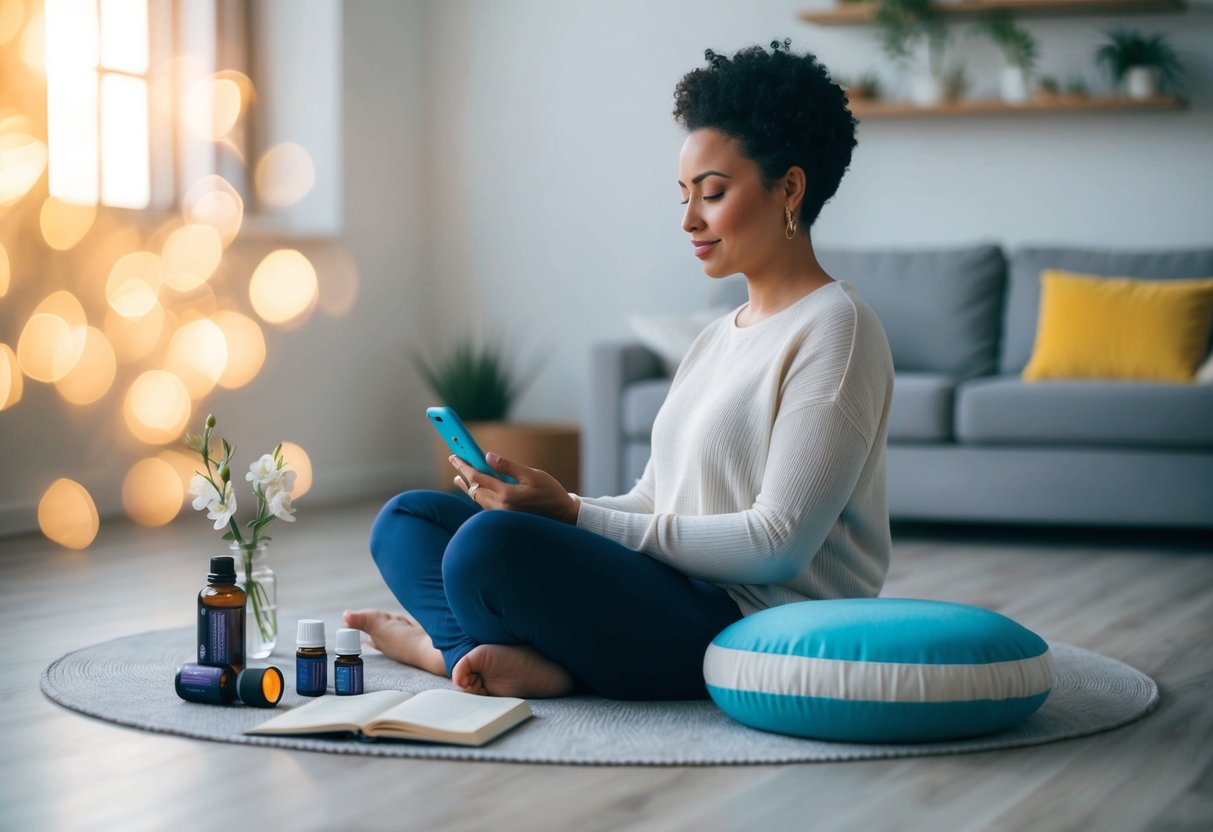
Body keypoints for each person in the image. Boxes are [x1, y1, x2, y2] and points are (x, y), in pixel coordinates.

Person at [345, 39, 894, 701]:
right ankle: (485, 656)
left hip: (744, 622)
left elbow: (776, 545)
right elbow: (650, 505)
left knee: (486, 549)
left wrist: (573, 514)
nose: (689, 219)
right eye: (684, 195)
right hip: (668, 590)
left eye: (712, 193)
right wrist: (550, 503)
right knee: (409, 520)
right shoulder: (716, 338)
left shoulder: (836, 326)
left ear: (790, 188)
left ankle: (459, 653)